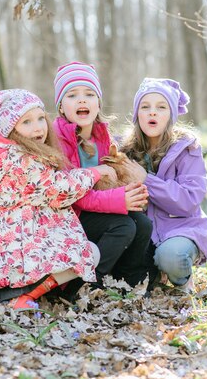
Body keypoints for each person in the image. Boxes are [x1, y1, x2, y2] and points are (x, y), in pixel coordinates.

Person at [0, 89, 116, 309]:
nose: (37, 127)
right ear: (10, 130)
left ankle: (21, 296)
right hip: (20, 248)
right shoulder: (20, 160)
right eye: (26, 122)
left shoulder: (1, 156)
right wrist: (94, 173)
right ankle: (25, 297)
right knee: (87, 253)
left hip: (8, 251)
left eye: (40, 119)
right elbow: (57, 189)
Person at [52, 61, 152, 291]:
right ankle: (85, 285)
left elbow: (110, 181)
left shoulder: (103, 137)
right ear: (61, 107)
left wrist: (129, 193)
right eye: (72, 95)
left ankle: (129, 281)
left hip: (97, 207)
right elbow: (72, 195)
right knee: (123, 227)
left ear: (98, 103)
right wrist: (119, 201)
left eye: (89, 94)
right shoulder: (58, 139)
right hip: (70, 215)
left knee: (143, 224)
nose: (82, 100)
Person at [121, 78, 207, 292]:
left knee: (172, 256)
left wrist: (146, 179)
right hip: (143, 234)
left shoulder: (187, 149)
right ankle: (154, 272)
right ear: (137, 115)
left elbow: (188, 201)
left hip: (180, 229)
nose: (153, 112)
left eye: (161, 107)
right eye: (145, 107)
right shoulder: (124, 150)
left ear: (170, 114)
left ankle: (181, 278)